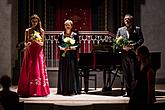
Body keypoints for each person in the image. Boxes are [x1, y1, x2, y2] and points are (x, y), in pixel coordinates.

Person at [17, 14, 50, 97]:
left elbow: (42, 43)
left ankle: (38, 90)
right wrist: (27, 44)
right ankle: (27, 89)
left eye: (36, 21)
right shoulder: (27, 30)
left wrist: (37, 41)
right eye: (33, 21)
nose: (34, 23)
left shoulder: (41, 30)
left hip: (38, 52)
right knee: (29, 69)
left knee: (37, 69)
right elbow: (25, 42)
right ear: (31, 21)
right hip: (30, 51)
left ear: (38, 21)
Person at [116, 14, 144, 97]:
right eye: (125, 19)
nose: (126, 21)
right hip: (124, 55)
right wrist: (122, 47)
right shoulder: (120, 30)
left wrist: (134, 45)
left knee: (134, 74)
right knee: (126, 74)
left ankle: (134, 91)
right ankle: (127, 91)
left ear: (132, 20)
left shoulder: (137, 29)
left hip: (134, 55)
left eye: (128, 19)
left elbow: (141, 39)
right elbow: (117, 41)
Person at [57, 19, 81, 95]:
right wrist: (61, 47)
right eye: (66, 25)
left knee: (72, 71)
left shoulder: (75, 35)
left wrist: (73, 48)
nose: (67, 26)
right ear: (64, 26)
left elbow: (78, 44)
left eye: (69, 25)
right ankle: (64, 89)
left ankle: (72, 89)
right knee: (64, 71)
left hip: (72, 56)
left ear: (71, 26)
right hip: (63, 55)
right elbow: (58, 44)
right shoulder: (61, 35)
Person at [128, 45, 156, 110]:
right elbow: (137, 80)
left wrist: (149, 101)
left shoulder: (149, 69)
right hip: (136, 94)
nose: (136, 56)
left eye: (137, 54)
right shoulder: (138, 65)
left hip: (143, 95)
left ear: (142, 55)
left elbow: (150, 86)